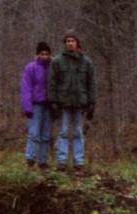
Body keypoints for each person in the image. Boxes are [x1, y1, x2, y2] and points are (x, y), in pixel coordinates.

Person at [47, 30, 96, 173]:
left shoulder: (86, 62)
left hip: (80, 102)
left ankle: (78, 162)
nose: (70, 43)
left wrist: (92, 102)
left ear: (77, 43)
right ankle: (61, 161)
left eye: (72, 41)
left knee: (78, 133)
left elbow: (91, 83)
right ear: (65, 43)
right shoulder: (57, 61)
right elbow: (52, 83)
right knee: (63, 132)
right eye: (67, 41)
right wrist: (53, 101)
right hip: (63, 103)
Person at [20, 41, 52, 170]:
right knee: (33, 133)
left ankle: (43, 161)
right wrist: (27, 107)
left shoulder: (52, 67)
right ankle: (30, 159)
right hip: (36, 105)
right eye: (42, 54)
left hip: (49, 105)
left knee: (45, 135)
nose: (44, 56)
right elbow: (25, 88)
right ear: (37, 54)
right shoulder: (31, 68)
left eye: (47, 54)